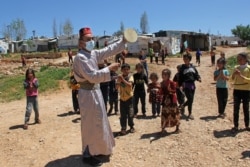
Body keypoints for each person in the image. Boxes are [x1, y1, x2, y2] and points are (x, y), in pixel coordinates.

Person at [73, 27, 125, 166]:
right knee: (90, 125)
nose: (91, 41)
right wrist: (109, 68)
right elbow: (92, 77)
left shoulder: (92, 54)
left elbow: (108, 50)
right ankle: (88, 154)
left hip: (95, 93)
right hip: (87, 95)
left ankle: (99, 149)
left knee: (99, 122)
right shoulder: (80, 57)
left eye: (92, 39)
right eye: (88, 39)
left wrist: (123, 41)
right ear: (81, 42)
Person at [230, 52, 250, 133]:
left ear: (245, 59)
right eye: (237, 59)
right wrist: (234, 75)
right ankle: (236, 126)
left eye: (240, 59)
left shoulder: (248, 68)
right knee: (236, 109)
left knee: (246, 108)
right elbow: (231, 79)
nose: (238, 61)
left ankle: (247, 125)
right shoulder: (236, 68)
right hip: (237, 90)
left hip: (246, 91)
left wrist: (242, 77)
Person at [178, 53, 201, 120]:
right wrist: (180, 85)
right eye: (184, 59)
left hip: (192, 85)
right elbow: (180, 77)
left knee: (191, 100)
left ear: (189, 59)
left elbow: (196, 74)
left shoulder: (193, 67)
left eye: (186, 59)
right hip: (186, 85)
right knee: (190, 99)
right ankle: (190, 113)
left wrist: (198, 78)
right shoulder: (182, 68)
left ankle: (183, 106)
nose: (185, 60)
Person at [116, 63, 135, 135]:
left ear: (129, 70)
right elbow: (116, 87)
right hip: (122, 99)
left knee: (130, 113)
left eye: (127, 69)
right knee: (123, 114)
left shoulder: (130, 77)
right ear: (121, 70)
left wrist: (122, 79)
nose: (126, 71)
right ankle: (123, 128)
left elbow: (130, 85)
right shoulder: (120, 78)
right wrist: (118, 81)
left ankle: (131, 126)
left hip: (129, 98)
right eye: (124, 70)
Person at [160, 68, 180, 133]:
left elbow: (174, 91)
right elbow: (161, 92)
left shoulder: (172, 83)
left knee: (174, 114)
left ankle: (177, 128)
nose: (163, 76)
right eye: (163, 74)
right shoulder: (162, 83)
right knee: (164, 114)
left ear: (168, 76)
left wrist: (169, 90)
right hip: (165, 102)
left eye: (165, 74)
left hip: (172, 101)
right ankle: (163, 129)